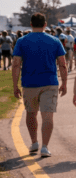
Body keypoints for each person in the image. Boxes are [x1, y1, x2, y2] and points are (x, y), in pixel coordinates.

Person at [12, 13, 68, 158]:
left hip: (29, 83)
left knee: (31, 113)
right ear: (45, 24)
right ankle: (45, 147)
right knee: (47, 116)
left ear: (31, 24)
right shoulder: (55, 41)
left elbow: (16, 64)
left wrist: (15, 85)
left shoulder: (21, 41)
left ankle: (34, 142)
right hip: (50, 82)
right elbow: (63, 64)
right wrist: (65, 83)